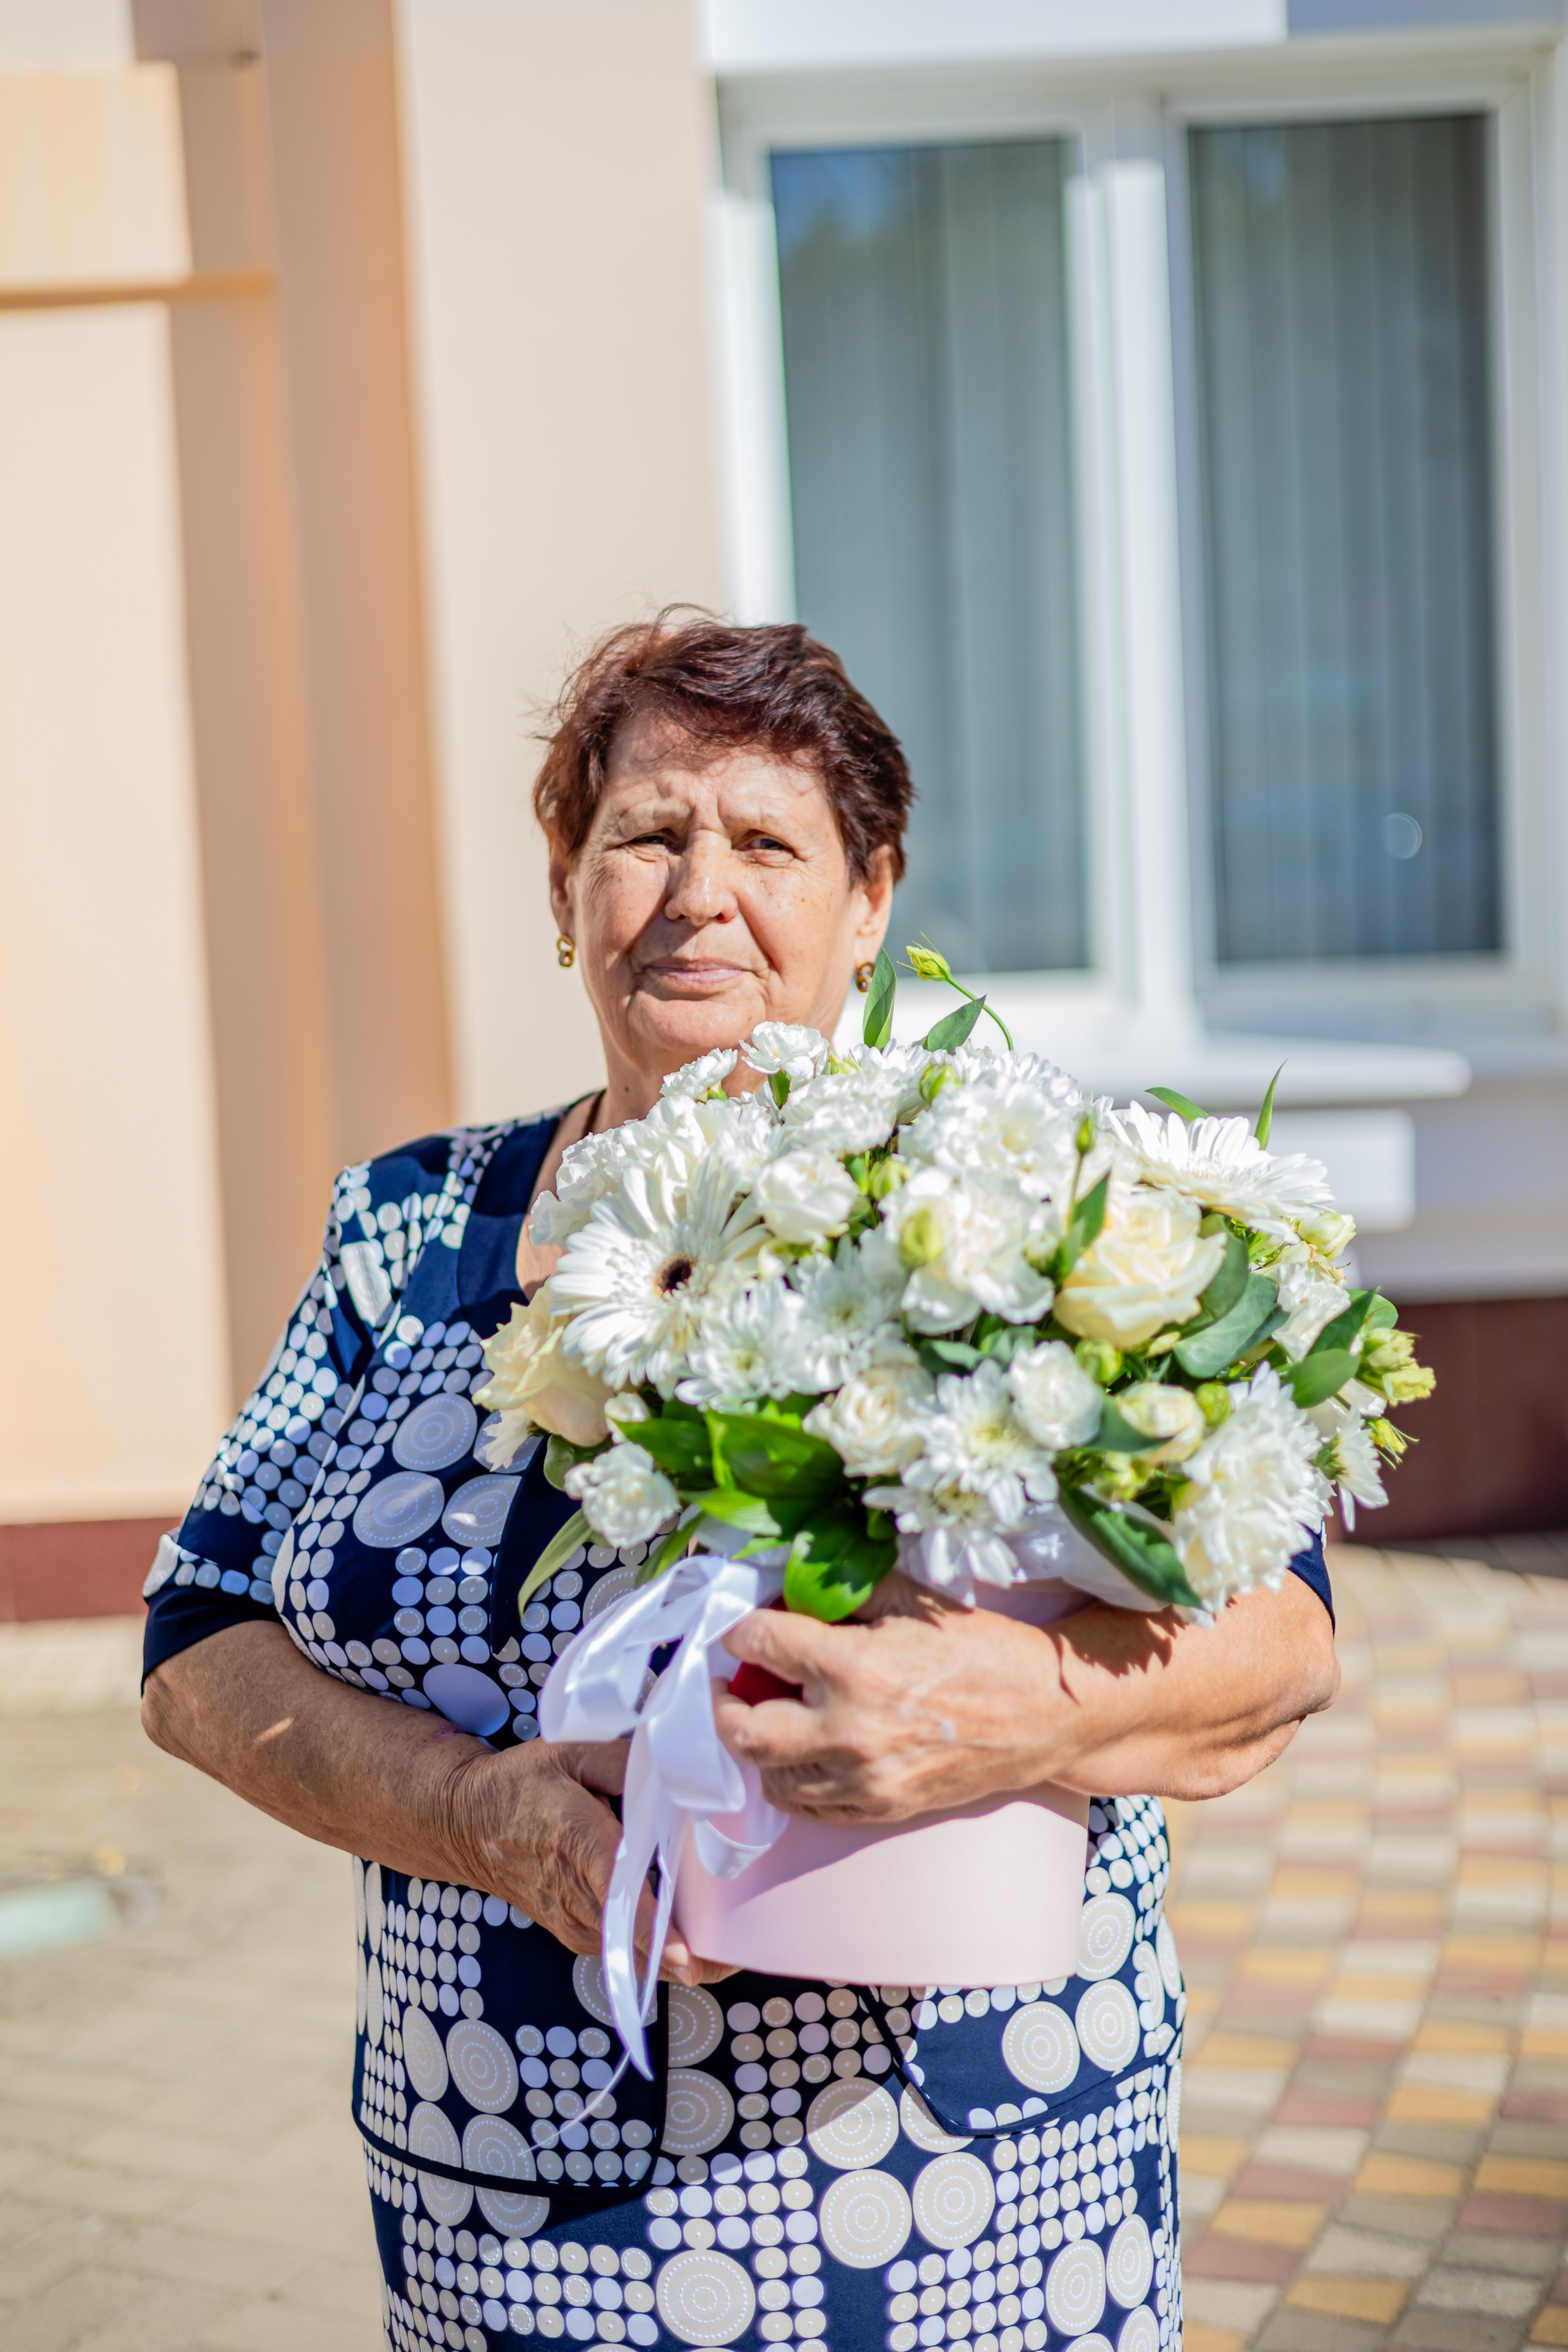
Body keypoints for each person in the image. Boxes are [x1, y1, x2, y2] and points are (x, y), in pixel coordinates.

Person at [143, 617, 1339, 2352]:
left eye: (769, 842)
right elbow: (198, 1641)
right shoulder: (410, 1228)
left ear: (869, 899)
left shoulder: (1017, 1199)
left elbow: (1282, 1646)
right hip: (512, 2217)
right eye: (647, 835)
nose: (701, 892)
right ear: (565, 888)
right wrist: (476, 1814)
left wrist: (1012, 1707)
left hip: (962, 2210)